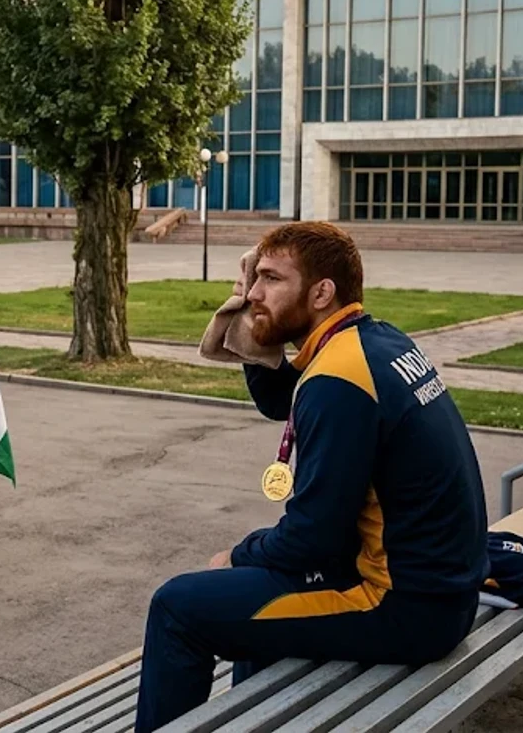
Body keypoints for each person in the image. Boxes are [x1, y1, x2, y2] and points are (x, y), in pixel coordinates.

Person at [133, 222, 488, 731]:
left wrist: (236, 555)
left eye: (271, 280)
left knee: (178, 608)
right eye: (253, 279)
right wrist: (255, 322)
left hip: (404, 608)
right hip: (444, 592)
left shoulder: (339, 381)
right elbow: (284, 401)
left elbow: (313, 540)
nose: (253, 293)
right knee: (256, 596)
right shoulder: (374, 341)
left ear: (322, 292)